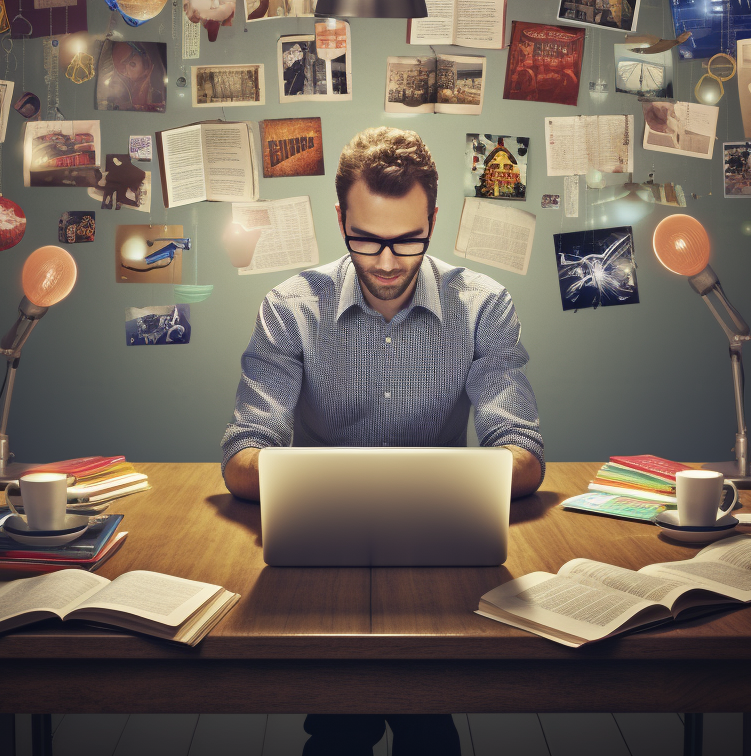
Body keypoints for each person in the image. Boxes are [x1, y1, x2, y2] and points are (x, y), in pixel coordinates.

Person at [221, 127, 543, 756]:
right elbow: (242, 454)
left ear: (434, 220)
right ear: (339, 218)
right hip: (322, 562)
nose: (388, 261)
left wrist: (496, 467)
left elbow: (521, 450)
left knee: (429, 726)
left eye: (408, 239)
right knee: (339, 729)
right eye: (366, 239)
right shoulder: (290, 309)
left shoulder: (484, 305)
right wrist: (289, 477)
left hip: (444, 557)